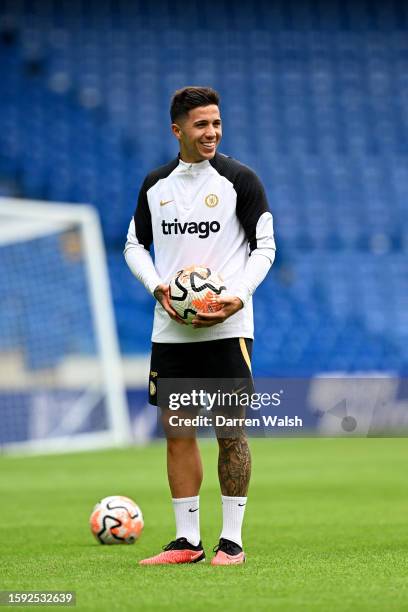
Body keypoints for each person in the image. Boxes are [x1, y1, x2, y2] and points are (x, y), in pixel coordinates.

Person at [124, 86, 276, 565]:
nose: (211, 132)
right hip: (171, 330)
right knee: (178, 431)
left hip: (228, 328)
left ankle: (231, 541)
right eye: (201, 125)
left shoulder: (240, 179)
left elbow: (265, 248)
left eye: (216, 123)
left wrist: (236, 296)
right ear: (178, 130)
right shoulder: (155, 185)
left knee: (230, 431)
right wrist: (157, 287)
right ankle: (186, 540)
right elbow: (133, 246)